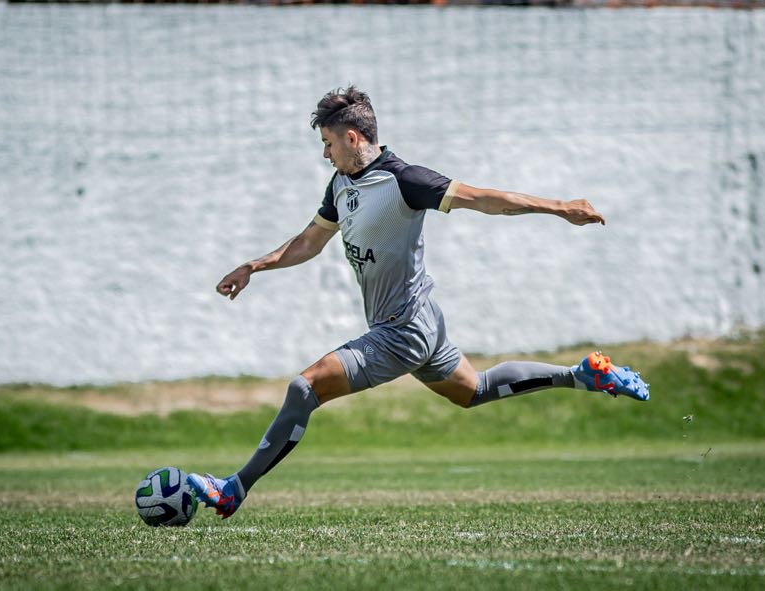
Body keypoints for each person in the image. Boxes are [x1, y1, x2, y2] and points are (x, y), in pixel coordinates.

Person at [188, 86, 649, 519]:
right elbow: (310, 242)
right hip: (421, 320)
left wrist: (560, 206)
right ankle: (582, 375)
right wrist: (254, 266)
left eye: (328, 143)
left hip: (402, 328)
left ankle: (234, 489)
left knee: (304, 389)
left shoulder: (404, 180)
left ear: (352, 137)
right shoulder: (340, 185)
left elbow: (484, 199)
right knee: (475, 390)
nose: (325, 153)